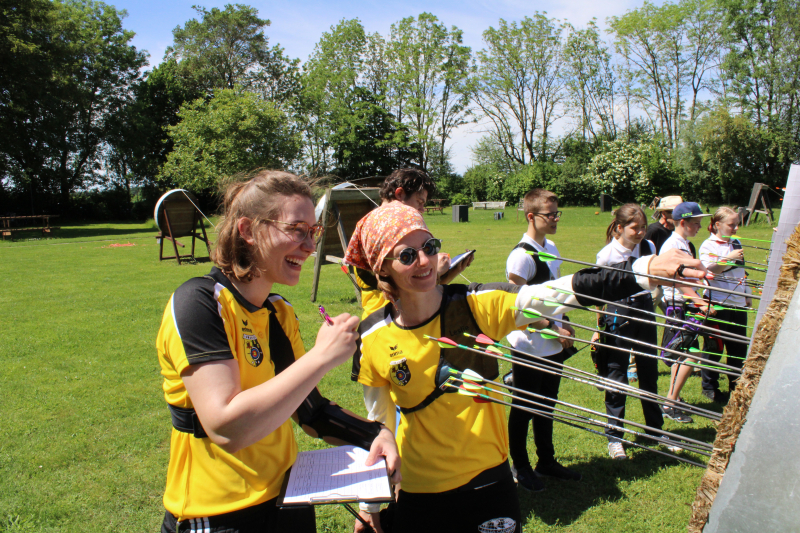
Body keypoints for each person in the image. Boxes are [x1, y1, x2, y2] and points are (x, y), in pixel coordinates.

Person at [345, 202, 709, 533]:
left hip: (488, 481)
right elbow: (379, 427)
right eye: (407, 255)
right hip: (418, 491)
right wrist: (370, 506)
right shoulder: (372, 336)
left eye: (429, 246)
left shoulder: (476, 305)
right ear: (382, 268)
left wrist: (641, 270)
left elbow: (558, 293)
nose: (425, 261)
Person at [156, 171, 400, 533]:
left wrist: (373, 433)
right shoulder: (199, 303)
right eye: (297, 230)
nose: (310, 246)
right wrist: (320, 357)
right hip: (218, 515)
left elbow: (310, 411)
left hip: (289, 498)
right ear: (248, 230)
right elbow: (226, 427)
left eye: (313, 231)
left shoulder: (277, 311)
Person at [504, 189, 579, 490]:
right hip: (529, 345)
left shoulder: (552, 247)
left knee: (547, 404)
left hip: (552, 344)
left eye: (557, 213)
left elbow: (557, 293)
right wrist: (552, 328)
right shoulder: (521, 257)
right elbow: (518, 307)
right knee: (524, 407)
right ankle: (520, 467)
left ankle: (546, 461)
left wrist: (566, 323)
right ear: (531, 216)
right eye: (550, 215)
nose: (555, 219)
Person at [591, 204, 665, 460]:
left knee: (648, 371)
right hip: (618, 313)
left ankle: (655, 430)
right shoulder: (607, 255)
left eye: (643, 227)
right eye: (635, 228)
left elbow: (654, 278)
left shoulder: (649, 246)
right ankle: (615, 437)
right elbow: (598, 295)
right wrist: (599, 328)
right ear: (619, 228)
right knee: (616, 375)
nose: (641, 232)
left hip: (644, 310)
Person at [353, 168, 473, 317]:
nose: (422, 209)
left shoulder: (389, 227)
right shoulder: (375, 230)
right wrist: (436, 271)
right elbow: (399, 290)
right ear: (400, 194)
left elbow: (419, 291)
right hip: (385, 322)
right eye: (419, 202)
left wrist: (453, 271)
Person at [658, 201, 714, 424]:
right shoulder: (673, 246)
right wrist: (701, 303)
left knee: (685, 353)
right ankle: (669, 404)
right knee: (688, 354)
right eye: (696, 223)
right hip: (678, 306)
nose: (699, 227)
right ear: (683, 222)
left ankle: (674, 398)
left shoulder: (684, 244)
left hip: (686, 304)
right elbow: (678, 281)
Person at [698, 207, 751, 404]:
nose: (735, 228)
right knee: (715, 348)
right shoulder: (708, 245)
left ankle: (735, 388)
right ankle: (709, 387)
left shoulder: (735, 242)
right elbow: (710, 270)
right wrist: (729, 258)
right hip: (717, 303)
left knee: (738, 348)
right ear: (717, 225)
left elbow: (741, 271)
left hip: (738, 303)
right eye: (731, 225)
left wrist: (747, 292)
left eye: (737, 224)